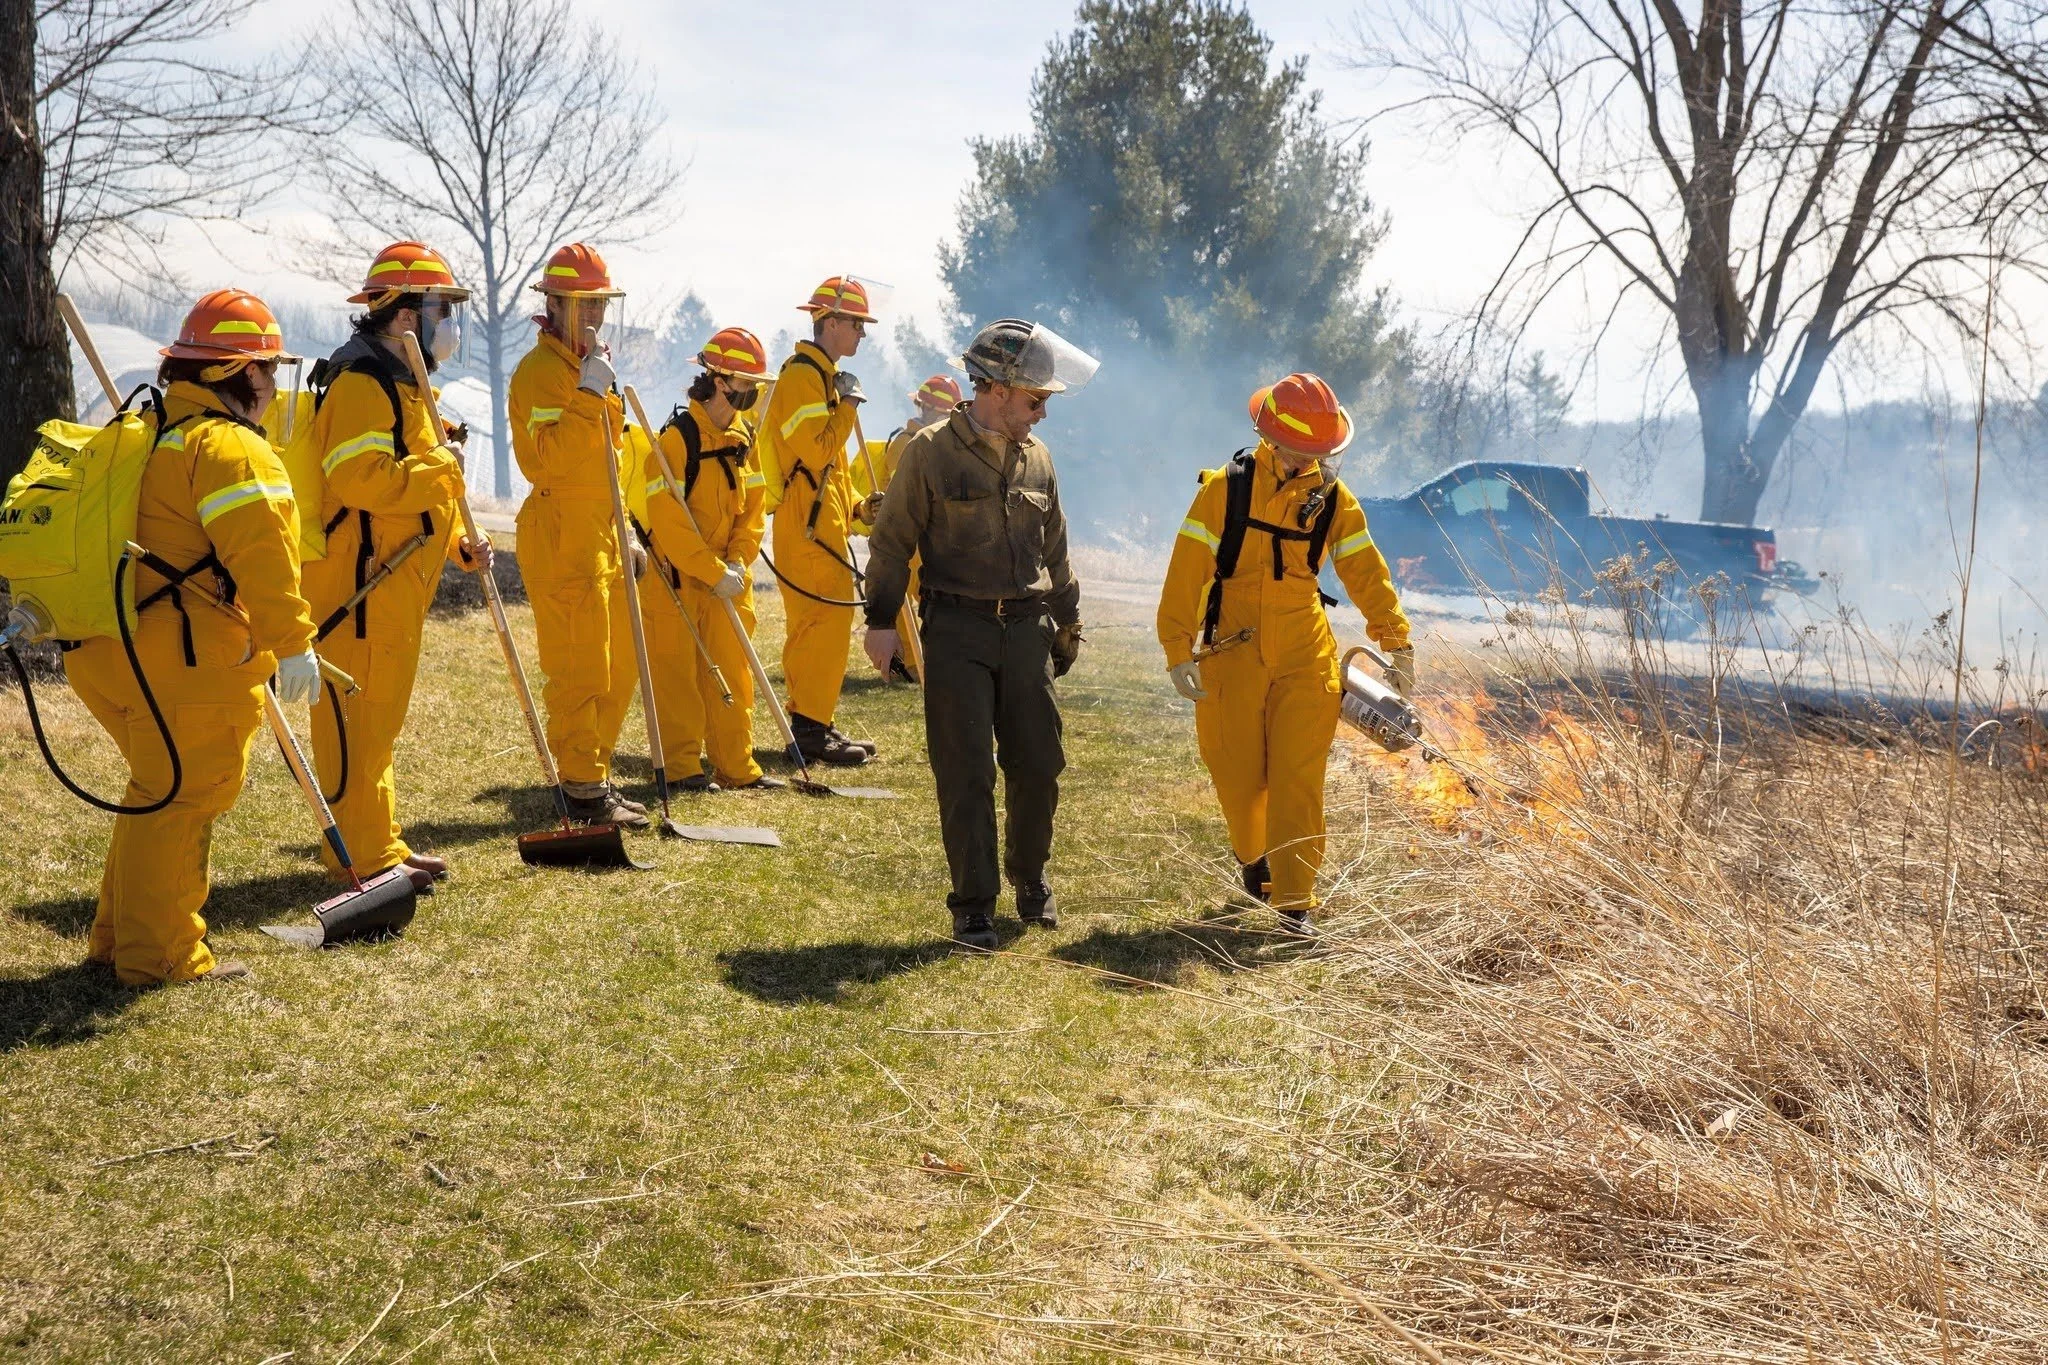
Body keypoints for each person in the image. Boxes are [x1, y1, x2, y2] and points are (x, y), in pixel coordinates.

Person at [66, 289, 321, 985]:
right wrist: (294, 642)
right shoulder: (231, 448)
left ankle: (118, 941)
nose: (272, 385)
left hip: (110, 650)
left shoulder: (146, 430)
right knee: (182, 798)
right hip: (182, 658)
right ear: (235, 374)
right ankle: (164, 957)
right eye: (266, 370)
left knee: (154, 792)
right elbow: (264, 555)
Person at [1155, 373, 1414, 937]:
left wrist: (1395, 640)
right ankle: (1256, 859)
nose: (1314, 461)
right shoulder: (1225, 489)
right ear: (1272, 437)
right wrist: (1178, 648)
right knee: (1238, 772)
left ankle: (1294, 903)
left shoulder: (1334, 502)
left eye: (1323, 451)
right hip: (1232, 650)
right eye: (1306, 450)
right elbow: (1187, 570)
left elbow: (1366, 572)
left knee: (1298, 777)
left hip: (1306, 651)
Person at [862, 319, 1093, 951]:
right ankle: (972, 904)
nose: (1041, 415)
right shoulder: (931, 451)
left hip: (1025, 629)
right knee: (964, 771)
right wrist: (880, 622)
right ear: (996, 388)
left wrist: (1067, 620)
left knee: (1040, 763)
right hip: (957, 628)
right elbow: (891, 542)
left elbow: (1057, 548)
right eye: (1035, 401)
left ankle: (1031, 877)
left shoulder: (1039, 460)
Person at [303, 242, 492, 893]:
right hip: (358, 592)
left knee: (377, 726)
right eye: (445, 308)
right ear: (409, 315)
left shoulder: (408, 383)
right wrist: (444, 468)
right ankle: (358, 858)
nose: (453, 324)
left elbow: (420, 489)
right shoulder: (363, 382)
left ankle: (378, 843)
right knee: (355, 726)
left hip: (392, 590)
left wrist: (465, 546)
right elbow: (362, 481)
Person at [508, 242, 647, 827]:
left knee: (616, 671)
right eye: (582, 305)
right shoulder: (541, 375)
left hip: (603, 538)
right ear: (555, 304)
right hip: (561, 536)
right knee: (580, 667)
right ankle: (582, 788)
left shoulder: (593, 370)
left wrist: (631, 531)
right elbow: (549, 463)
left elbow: (610, 469)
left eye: (600, 305)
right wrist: (590, 395)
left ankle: (596, 775)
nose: (594, 316)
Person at [632, 326, 781, 791]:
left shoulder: (743, 440)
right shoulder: (675, 441)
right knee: (676, 675)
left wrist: (737, 563)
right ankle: (681, 771)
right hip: (676, 577)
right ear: (718, 382)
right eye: (746, 387)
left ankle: (738, 768)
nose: (752, 396)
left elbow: (753, 511)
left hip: (728, 578)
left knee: (734, 672)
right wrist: (712, 572)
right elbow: (669, 524)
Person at [761, 277, 876, 766]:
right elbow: (817, 450)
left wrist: (857, 511)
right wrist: (848, 407)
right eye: (856, 325)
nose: (862, 336)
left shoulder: (821, 377)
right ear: (830, 322)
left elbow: (825, 473)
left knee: (828, 624)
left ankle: (817, 722)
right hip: (802, 528)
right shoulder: (802, 377)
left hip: (820, 524)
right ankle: (809, 730)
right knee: (816, 625)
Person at [851, 374, 962, 681]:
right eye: (946, 415)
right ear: (929, 410)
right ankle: (909, 666)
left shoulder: (936, 443)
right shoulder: (907, 443)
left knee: (931, 601)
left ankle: (932, 661)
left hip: (928, 537)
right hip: (907, 538)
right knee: (902, 603)